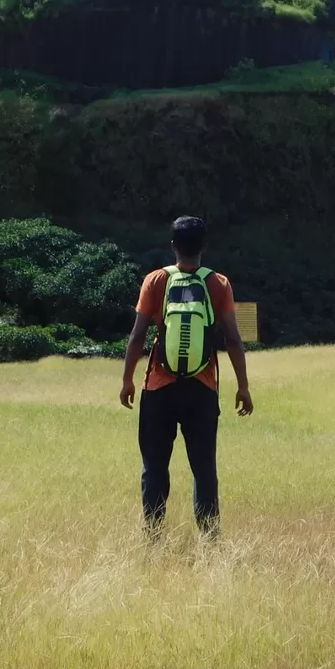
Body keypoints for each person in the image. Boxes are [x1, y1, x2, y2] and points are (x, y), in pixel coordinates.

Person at [119, 215, 253, 537]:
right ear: (203, 246)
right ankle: (209, 539)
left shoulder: (156, 281)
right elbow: (233, 338)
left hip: (159, 386)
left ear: (173, 246)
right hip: (202, 388)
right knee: (204, 469)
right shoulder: (218, 283)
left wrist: (127, 380)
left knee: (155, 467)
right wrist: (243, 386)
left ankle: (153, 536)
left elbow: (138, 336)